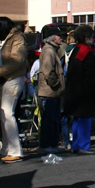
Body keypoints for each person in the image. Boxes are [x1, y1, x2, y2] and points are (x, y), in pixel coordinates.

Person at [0, 16, 28, 163]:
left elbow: (16, 61)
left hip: (13, 79)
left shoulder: (17, 39)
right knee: (2, 114)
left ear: (2, 26)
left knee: (7, 113)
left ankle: (15, 150)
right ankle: (5, 149)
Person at [63, 25, 95, 154]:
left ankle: (75, 145)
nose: (93, 39)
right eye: (92, 37)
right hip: (85, 92)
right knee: (85, 120)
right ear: (86, 38)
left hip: (74, 91)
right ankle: (83, 145)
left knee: (77, 119)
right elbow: (90, 75)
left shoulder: (75, 50)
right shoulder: (87, 52)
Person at [37, 26, 65, 154]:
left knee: (54, 120)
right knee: (48, 121)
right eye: (59, 36)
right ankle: (46, 145)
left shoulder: (52, 50)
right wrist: (56, 84)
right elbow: (48, 71)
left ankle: (53, 144)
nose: (61, 38)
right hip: (49, 92)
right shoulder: (48, 51)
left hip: (53, 92)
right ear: (52, 38)